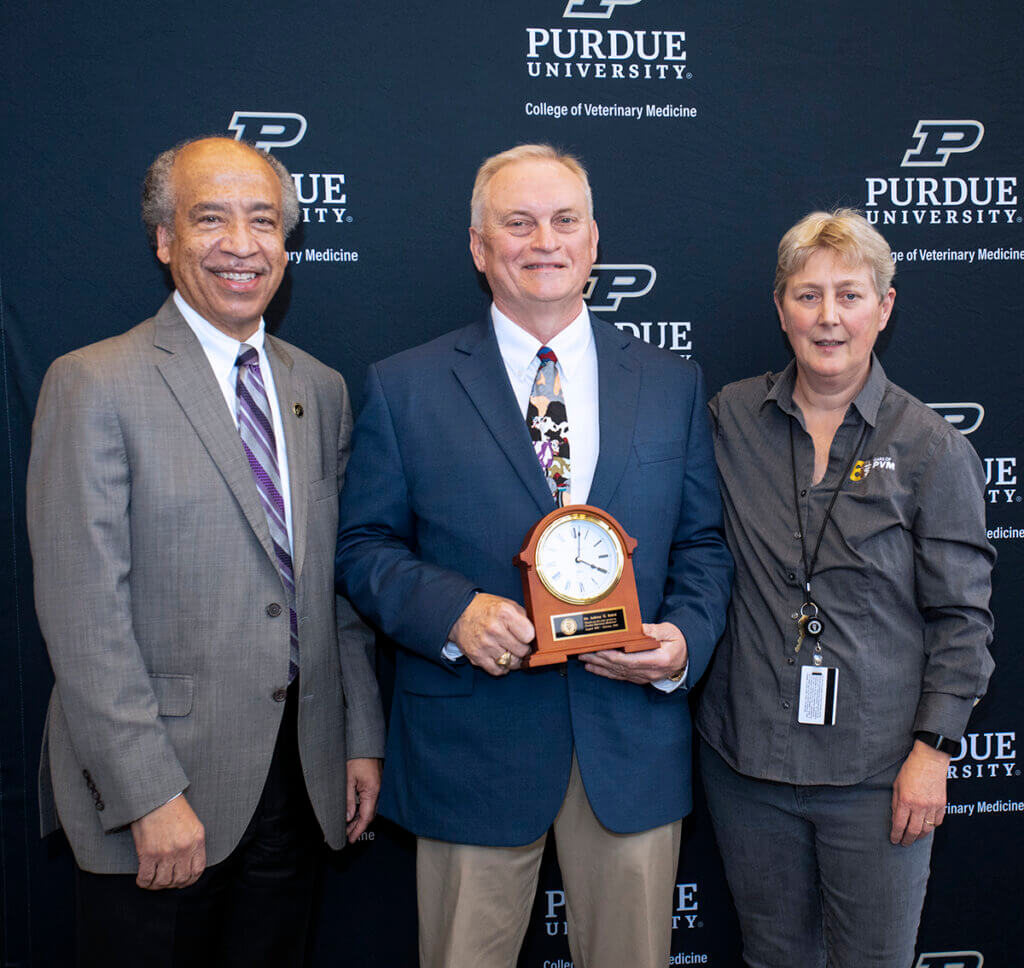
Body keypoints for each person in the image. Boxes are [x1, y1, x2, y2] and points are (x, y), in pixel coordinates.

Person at [335, 143, 733, 968]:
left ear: (593, 242)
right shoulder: (404, 387)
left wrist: (682, 644)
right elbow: (363, 545)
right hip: (471, 750)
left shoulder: (671, 385)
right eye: (517, 224)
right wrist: (452, 612)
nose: (543, 241)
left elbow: (701, 545)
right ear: (480, 249)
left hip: (630, 745)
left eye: (563, 221)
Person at [26, 136, 385, 968]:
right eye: (210, 218)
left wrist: (355, 737)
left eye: (263, 221)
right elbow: (84, 617)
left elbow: (332, 588)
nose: (241, 244)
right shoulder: (94, 383)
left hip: (296, 786)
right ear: (164, 239)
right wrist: (147, 793)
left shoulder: (318, 388)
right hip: (161, 795)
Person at [696, 208, 995, 967]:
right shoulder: (728, 418)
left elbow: (963, 618)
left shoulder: (931, 446)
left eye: (850, 295)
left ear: (884, 307)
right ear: (780, 307)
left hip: (879, 775)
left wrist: (934, 751)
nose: (829, 317)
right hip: (748, 769)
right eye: (807, 295)